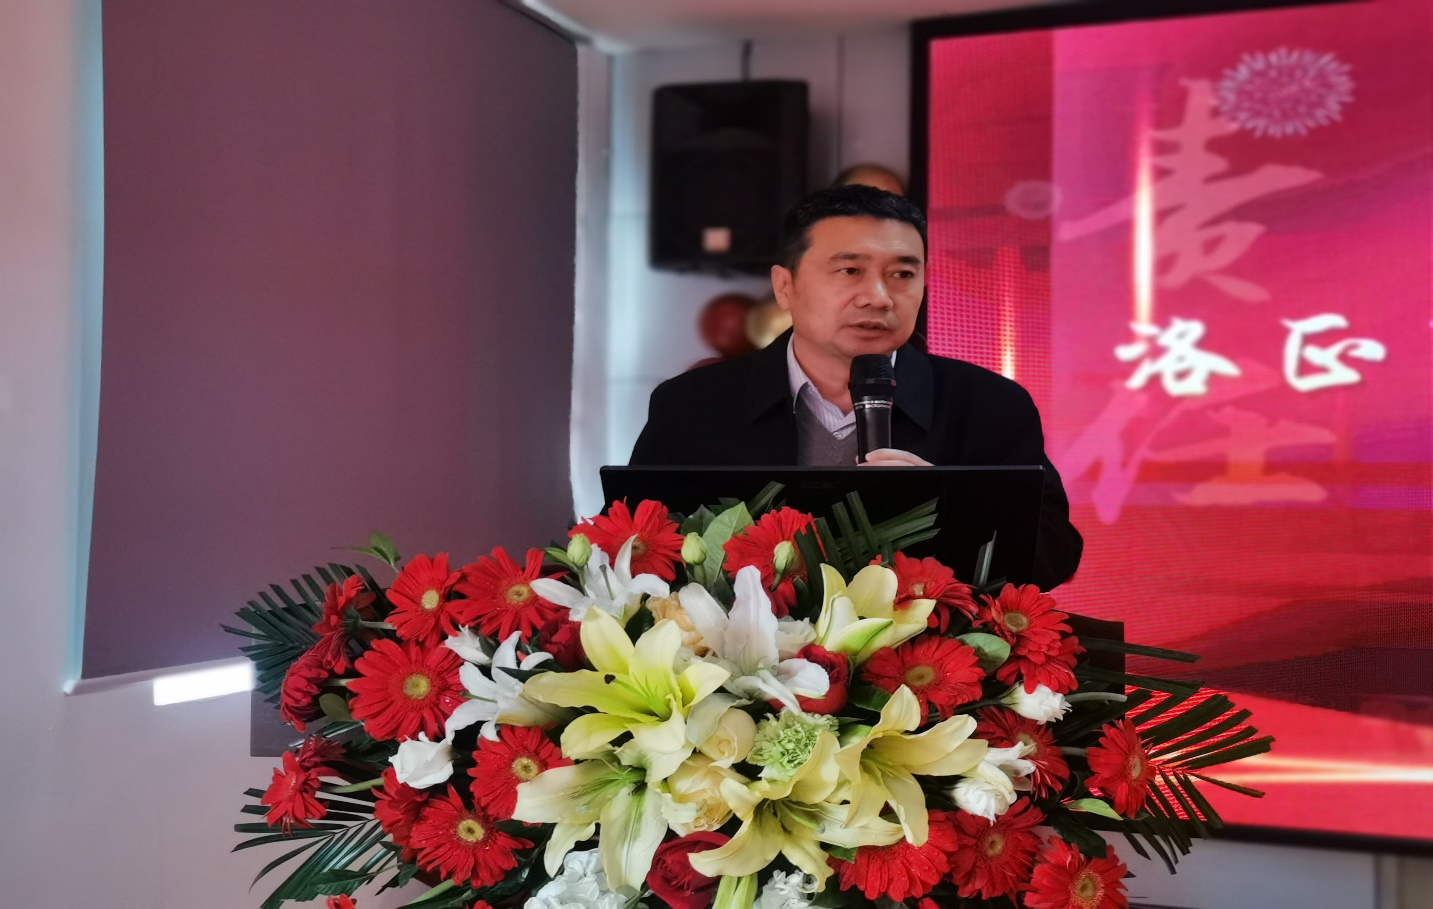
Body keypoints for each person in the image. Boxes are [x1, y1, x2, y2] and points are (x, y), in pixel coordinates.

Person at [630, 185, 1082, 589]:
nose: (879, 297)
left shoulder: (990, 406)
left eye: (903, 275)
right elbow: (633, 551)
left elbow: (1053, 556)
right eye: (850, 271)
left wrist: (943, 506)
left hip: (930, 651)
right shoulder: (692, 404)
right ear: (785, 286)